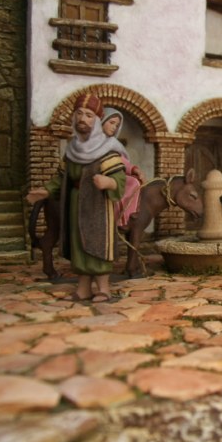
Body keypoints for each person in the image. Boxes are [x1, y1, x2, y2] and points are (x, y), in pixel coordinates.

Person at [26, 93, 126, 303]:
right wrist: (46, 191)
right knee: (78, 244)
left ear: (97, 121)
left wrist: (109, 182)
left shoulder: (108, 150)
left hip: (98, 204)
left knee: (98, 244)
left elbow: (120, 180)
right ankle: (83, 289)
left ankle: (103, 289)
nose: (83, 119)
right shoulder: (72, 149)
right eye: (79, 114)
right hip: (75, 202)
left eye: (89, 115)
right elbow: (61, 177)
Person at [101, 108, 145, 228]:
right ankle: (120, 218)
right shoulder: (93, 141)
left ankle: (127, 216)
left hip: (114, 172)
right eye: (111, 123)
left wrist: (134, 169)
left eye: (117, 125)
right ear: (102, 121)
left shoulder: (113, 143)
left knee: (135, 180)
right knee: (131, 182)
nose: (114, 127)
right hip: (101, 174)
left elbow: (121, 161)